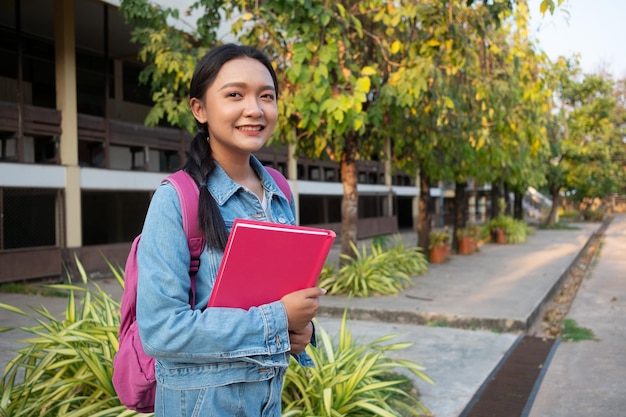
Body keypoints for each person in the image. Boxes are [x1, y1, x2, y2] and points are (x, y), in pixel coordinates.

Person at [135, 43, 325, 417]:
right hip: (202, 406)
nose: (254, 109)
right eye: (235, 94)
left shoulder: (280, 191)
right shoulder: (176, 199)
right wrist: (276, 321)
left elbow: (276, 298)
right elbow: (160, 331)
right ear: (200, 109)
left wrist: (301, 333)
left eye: (266, 96)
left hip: (267, 401)